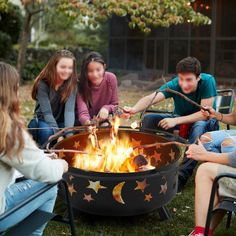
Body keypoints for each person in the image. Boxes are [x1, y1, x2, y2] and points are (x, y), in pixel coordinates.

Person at [122, 57, 219, 190]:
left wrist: (175, 120)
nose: (184, 84)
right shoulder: (175, 84)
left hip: (205, 123)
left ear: (198, 78)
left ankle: (180, 177)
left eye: (189, 80)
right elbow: (152, 97)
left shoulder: (208, 81)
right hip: (179, 119)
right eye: (181, 79)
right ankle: (146, 163)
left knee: (198, 126)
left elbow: (205, 115)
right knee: (149, 119)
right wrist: (133, 109)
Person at [0, 62, 68, 236]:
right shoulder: (6, 129)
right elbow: (47, 173)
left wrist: (41, 157)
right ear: (11, 91)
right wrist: (60, 164)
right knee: (52, 183)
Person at [28, 50, 78, 147]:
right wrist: (57, 135)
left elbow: (69, 112)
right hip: (42, 121)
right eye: (63, 67)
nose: (67, 71)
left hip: (61, 122)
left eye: (70, 68)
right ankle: (44, 155)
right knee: (47, 131)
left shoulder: (72, 85)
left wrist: (69, 135)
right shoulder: (42, 84)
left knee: (74, 131)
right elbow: (47, 113)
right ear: (54, 66)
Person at [76, 51, 118, 126]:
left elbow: (115, 105)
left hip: (102, 120)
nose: (95, 75)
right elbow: (82, 112)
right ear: (85, 71)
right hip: (82, 122)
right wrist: (88, 122)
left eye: (98, 70)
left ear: (104, 67)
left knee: (105, 127)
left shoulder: (111, 78)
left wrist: (106, 108)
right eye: (90, 71)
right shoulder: (80, 82)